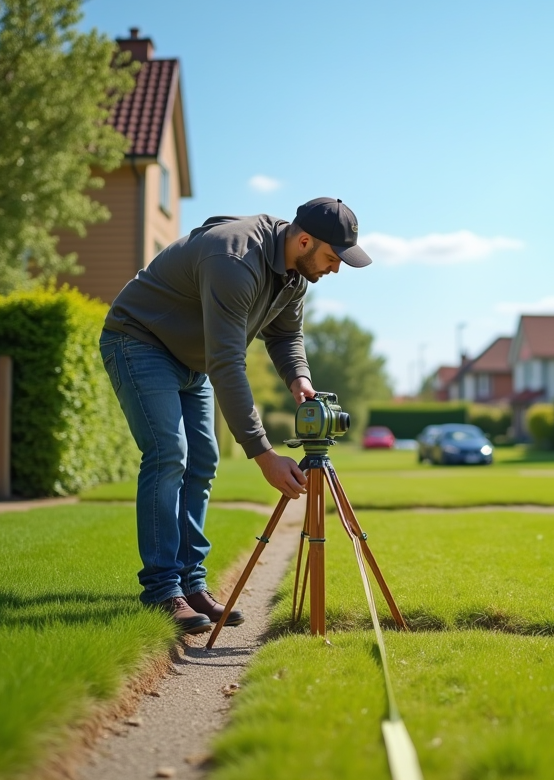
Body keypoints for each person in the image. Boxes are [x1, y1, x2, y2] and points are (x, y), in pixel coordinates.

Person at [99, 198, 371, 634]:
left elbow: (286, 335)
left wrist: (299, 379)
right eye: (332, 258)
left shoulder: (294, 277)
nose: (335, 269)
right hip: (140, 340)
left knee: (202, 461)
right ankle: (162, 590)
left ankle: (191, 583)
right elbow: (227, 363)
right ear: (304, 240)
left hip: (192, 360)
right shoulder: (234, 260)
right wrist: (264, 454)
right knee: (170, 454)